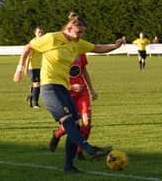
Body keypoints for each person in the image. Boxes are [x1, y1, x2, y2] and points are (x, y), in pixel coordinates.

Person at [13, 12, 123, 172]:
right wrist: (19, 69)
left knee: (76, 126)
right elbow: (28, 47)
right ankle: (90, 150)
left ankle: (69, 166)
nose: (81, 35)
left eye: (83, 32)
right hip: (49, 87)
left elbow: (97, 48)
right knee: (68, 121)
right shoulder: (51, 38)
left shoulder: (76, 43)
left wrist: (116, 46)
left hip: (64, 88)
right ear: (69, 28)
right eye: (79, 32)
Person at [49, 53, 98, 161]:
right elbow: (54, 78)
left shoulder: (80, 51)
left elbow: (84, 70)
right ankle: (57, 134)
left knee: (86, 123)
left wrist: (92, 89)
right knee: (71, 124)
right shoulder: (59, 53)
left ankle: (79, 151)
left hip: (82, 92)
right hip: (66, 92)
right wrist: (71, 86)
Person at [24, 26, 44, 108]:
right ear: (35, 33)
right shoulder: (33, 43)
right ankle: (35, 103)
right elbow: (28, 56)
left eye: (42, 32)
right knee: (37, 84)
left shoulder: (43, 43)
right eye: (39, 32)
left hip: (42, 67)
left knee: (38, 84)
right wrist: (25, 68)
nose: (40, 34)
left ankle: (30, 96)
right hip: (33, 67)